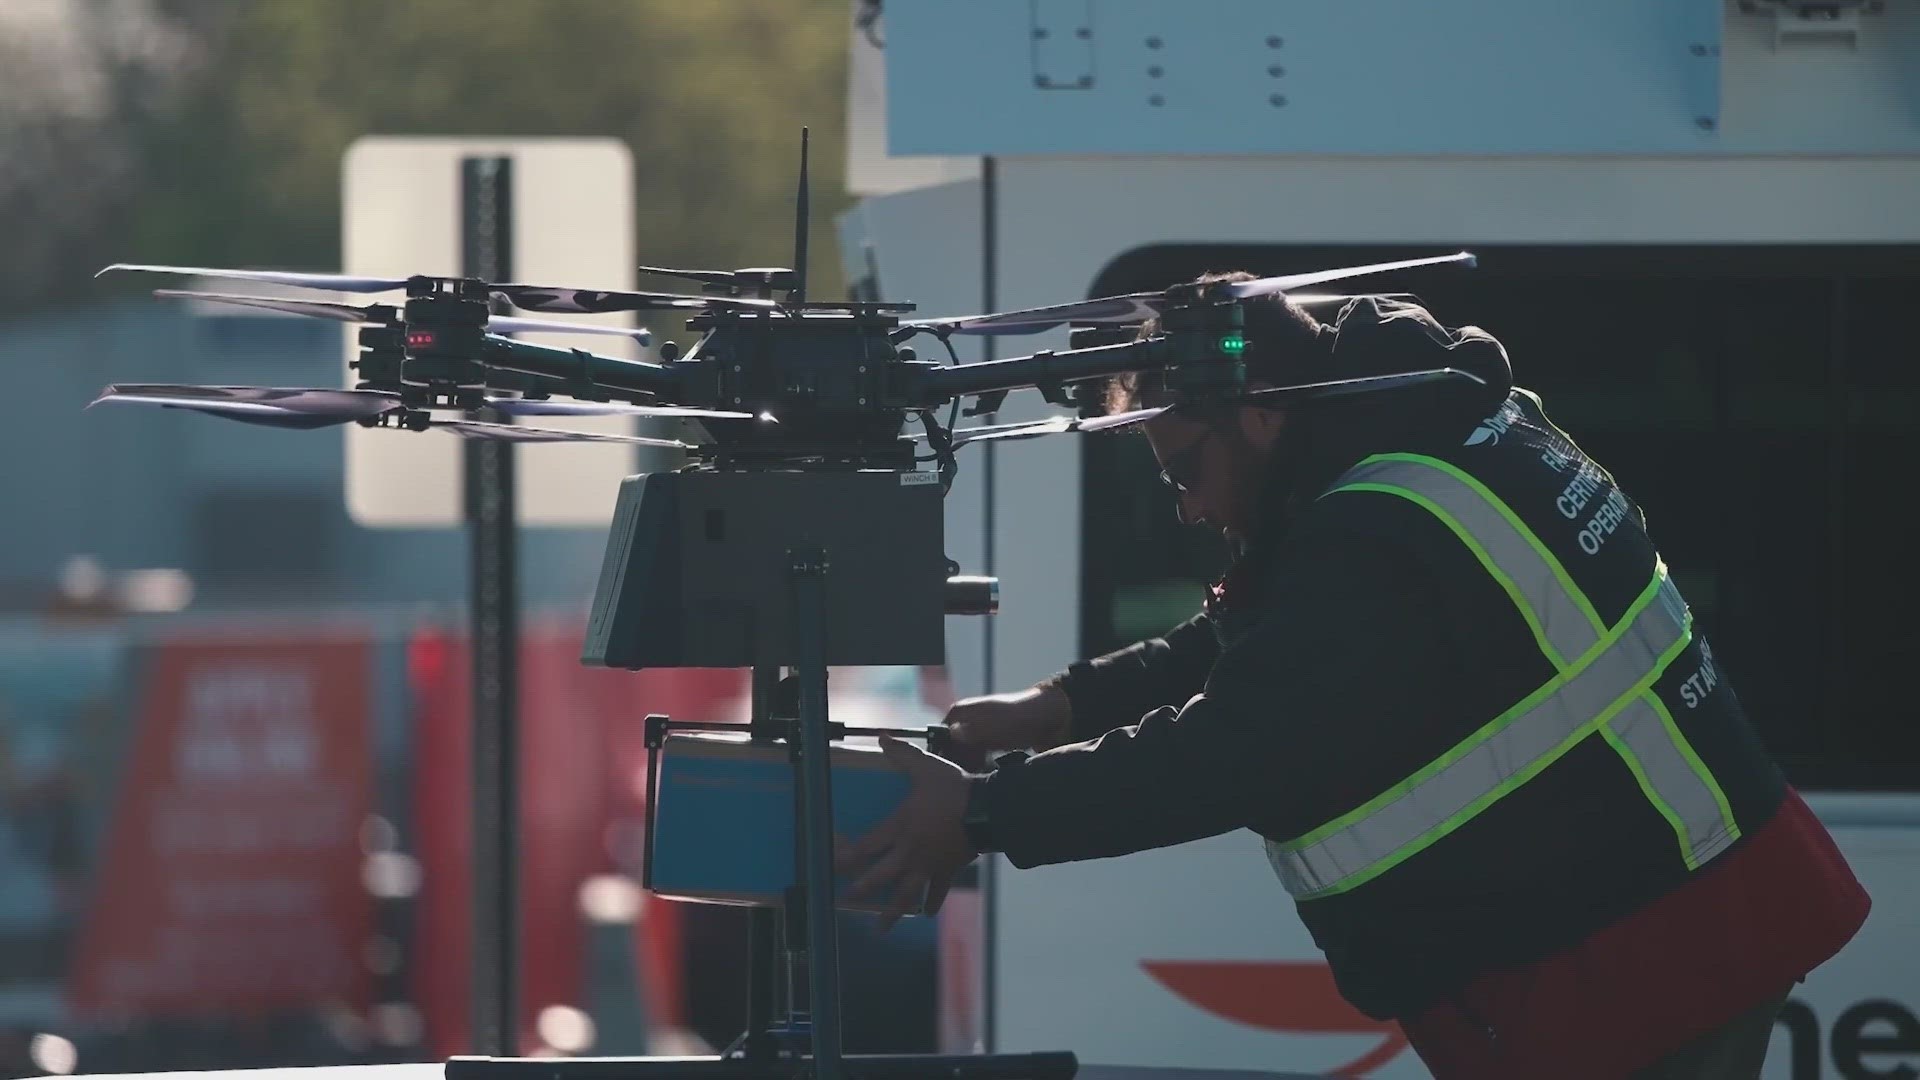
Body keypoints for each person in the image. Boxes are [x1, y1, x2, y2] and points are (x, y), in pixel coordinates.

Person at [837, 275, 1870, 1079]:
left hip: (1649, 955)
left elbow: (1232, 754)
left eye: (1183, 471)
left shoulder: (1369, 538)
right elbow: (1246, 636)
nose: (1187, 509)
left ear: (1262, 417)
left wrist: (980, 815)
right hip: (1676, 915)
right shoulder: (1413, 447)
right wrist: (1049, 711)